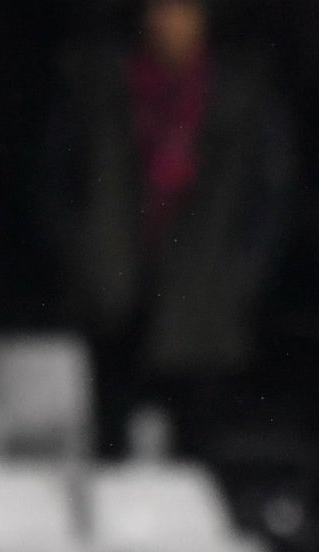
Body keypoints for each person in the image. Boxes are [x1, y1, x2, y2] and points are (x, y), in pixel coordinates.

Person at [43, 0, 294, 454]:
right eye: (159, 9)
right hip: (117, 291)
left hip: (202, 300)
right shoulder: (101, 84)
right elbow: (57, 179)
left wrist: (237, 281)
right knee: (111, 442)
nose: (168, 23)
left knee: (198, 446)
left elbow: (268, 201)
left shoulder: (239, 95)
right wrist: (85, 260)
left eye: (182, 11)